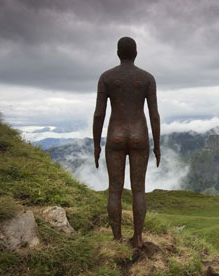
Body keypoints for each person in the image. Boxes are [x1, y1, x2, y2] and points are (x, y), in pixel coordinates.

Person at [93, 37, 160, 248]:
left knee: (115, 190)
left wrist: (97, 144)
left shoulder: (107, 77)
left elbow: (99, 114)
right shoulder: (147, 78)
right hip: (140, 135)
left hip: (115, 135)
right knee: (139, 190)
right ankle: (138, 238)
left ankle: (116, 239)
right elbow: (154, 115)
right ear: (136, 53)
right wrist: (156, 145)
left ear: (118, 53)